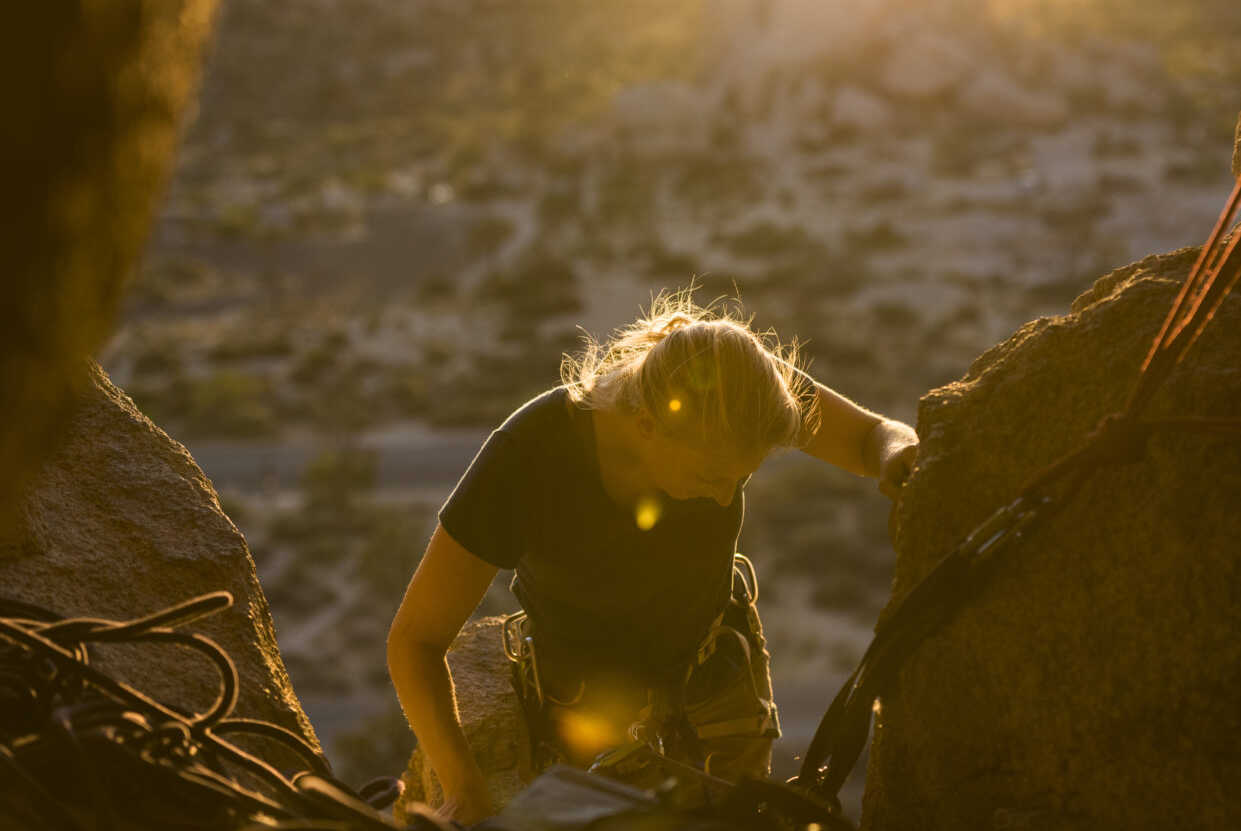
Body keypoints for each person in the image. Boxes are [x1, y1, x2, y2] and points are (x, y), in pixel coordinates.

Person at [387, 297, 919, 825]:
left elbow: (872, 436)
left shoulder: (736, 389)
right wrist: (463, 787)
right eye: (712, 477)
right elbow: (415, 640)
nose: (722, 499)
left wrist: (899, 454)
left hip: (719, 684)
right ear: (648, 426)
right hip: (591, 712)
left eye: (740, 480)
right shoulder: (530, 457)